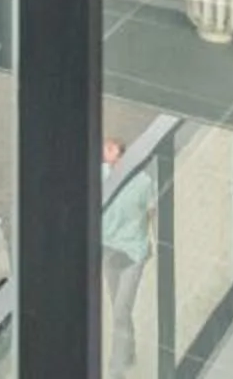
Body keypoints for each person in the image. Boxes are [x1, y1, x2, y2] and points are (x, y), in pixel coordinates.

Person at [101, 136, 154, 379]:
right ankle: (129, 351)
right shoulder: (102, 174)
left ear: (122, 155)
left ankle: (116, 369)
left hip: (133, 253)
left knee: (121, 309)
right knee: (118, 307)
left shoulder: (143, 183)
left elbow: (152, 213)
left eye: (110, 148)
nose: (104, 151)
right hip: (109, 250)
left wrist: (156, 242)